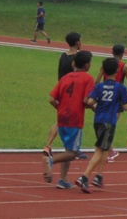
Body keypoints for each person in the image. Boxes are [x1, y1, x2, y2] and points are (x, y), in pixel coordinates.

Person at [42, 51, 95, 188]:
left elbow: (52, 99)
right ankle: (51, 161)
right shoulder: (88, 79)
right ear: (87, 65)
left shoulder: (65, 78)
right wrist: (96, 108)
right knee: (73, 153)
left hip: (61, 118)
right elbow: (87, 101)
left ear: (73, 63)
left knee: (68, 150)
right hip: (75, 119)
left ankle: (63, 180)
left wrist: (60, 109)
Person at [75, 57, 127, 193]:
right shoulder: (120, 88)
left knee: (106, 148)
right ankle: (84, 177)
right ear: (117, 71)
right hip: (109, 121)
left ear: (104, 71)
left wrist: (96, 105)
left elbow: (90, 101)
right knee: (100, 150)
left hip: (98, 120)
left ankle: (99, 176)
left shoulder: (99, 86)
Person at [95, 44, 127, 163]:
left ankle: (106, 149)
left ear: (112, 52)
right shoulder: (124, 67)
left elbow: (97, 81)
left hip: (105, 97)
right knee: (110, 126)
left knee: (105, 125)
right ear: (122, 53)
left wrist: (96, 94)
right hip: (116, 99)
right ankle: (110, 151)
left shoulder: (105, 64)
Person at [43, 32, 87, 160]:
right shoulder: (77, 59)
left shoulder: (61, 56)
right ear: (78, 42)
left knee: (61, 120)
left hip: (61, 90)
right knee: (70, 121)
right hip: (71, 93)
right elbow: (76, 75)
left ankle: (48, 146)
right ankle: (74, 149)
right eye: (81, 40)